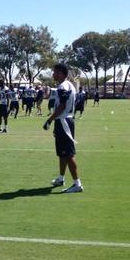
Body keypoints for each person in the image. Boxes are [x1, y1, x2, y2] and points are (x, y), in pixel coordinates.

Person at [44, 63, 82, 193]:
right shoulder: (68, 85)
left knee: (69, 154)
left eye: (54, 72)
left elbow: (62, 106)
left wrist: (49, 120)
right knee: (62, 154)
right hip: (63, 121)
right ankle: (61, 178)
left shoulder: (63, 86)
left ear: (61, 73)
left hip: (64, 121)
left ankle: (77, 184)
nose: (53, 74)